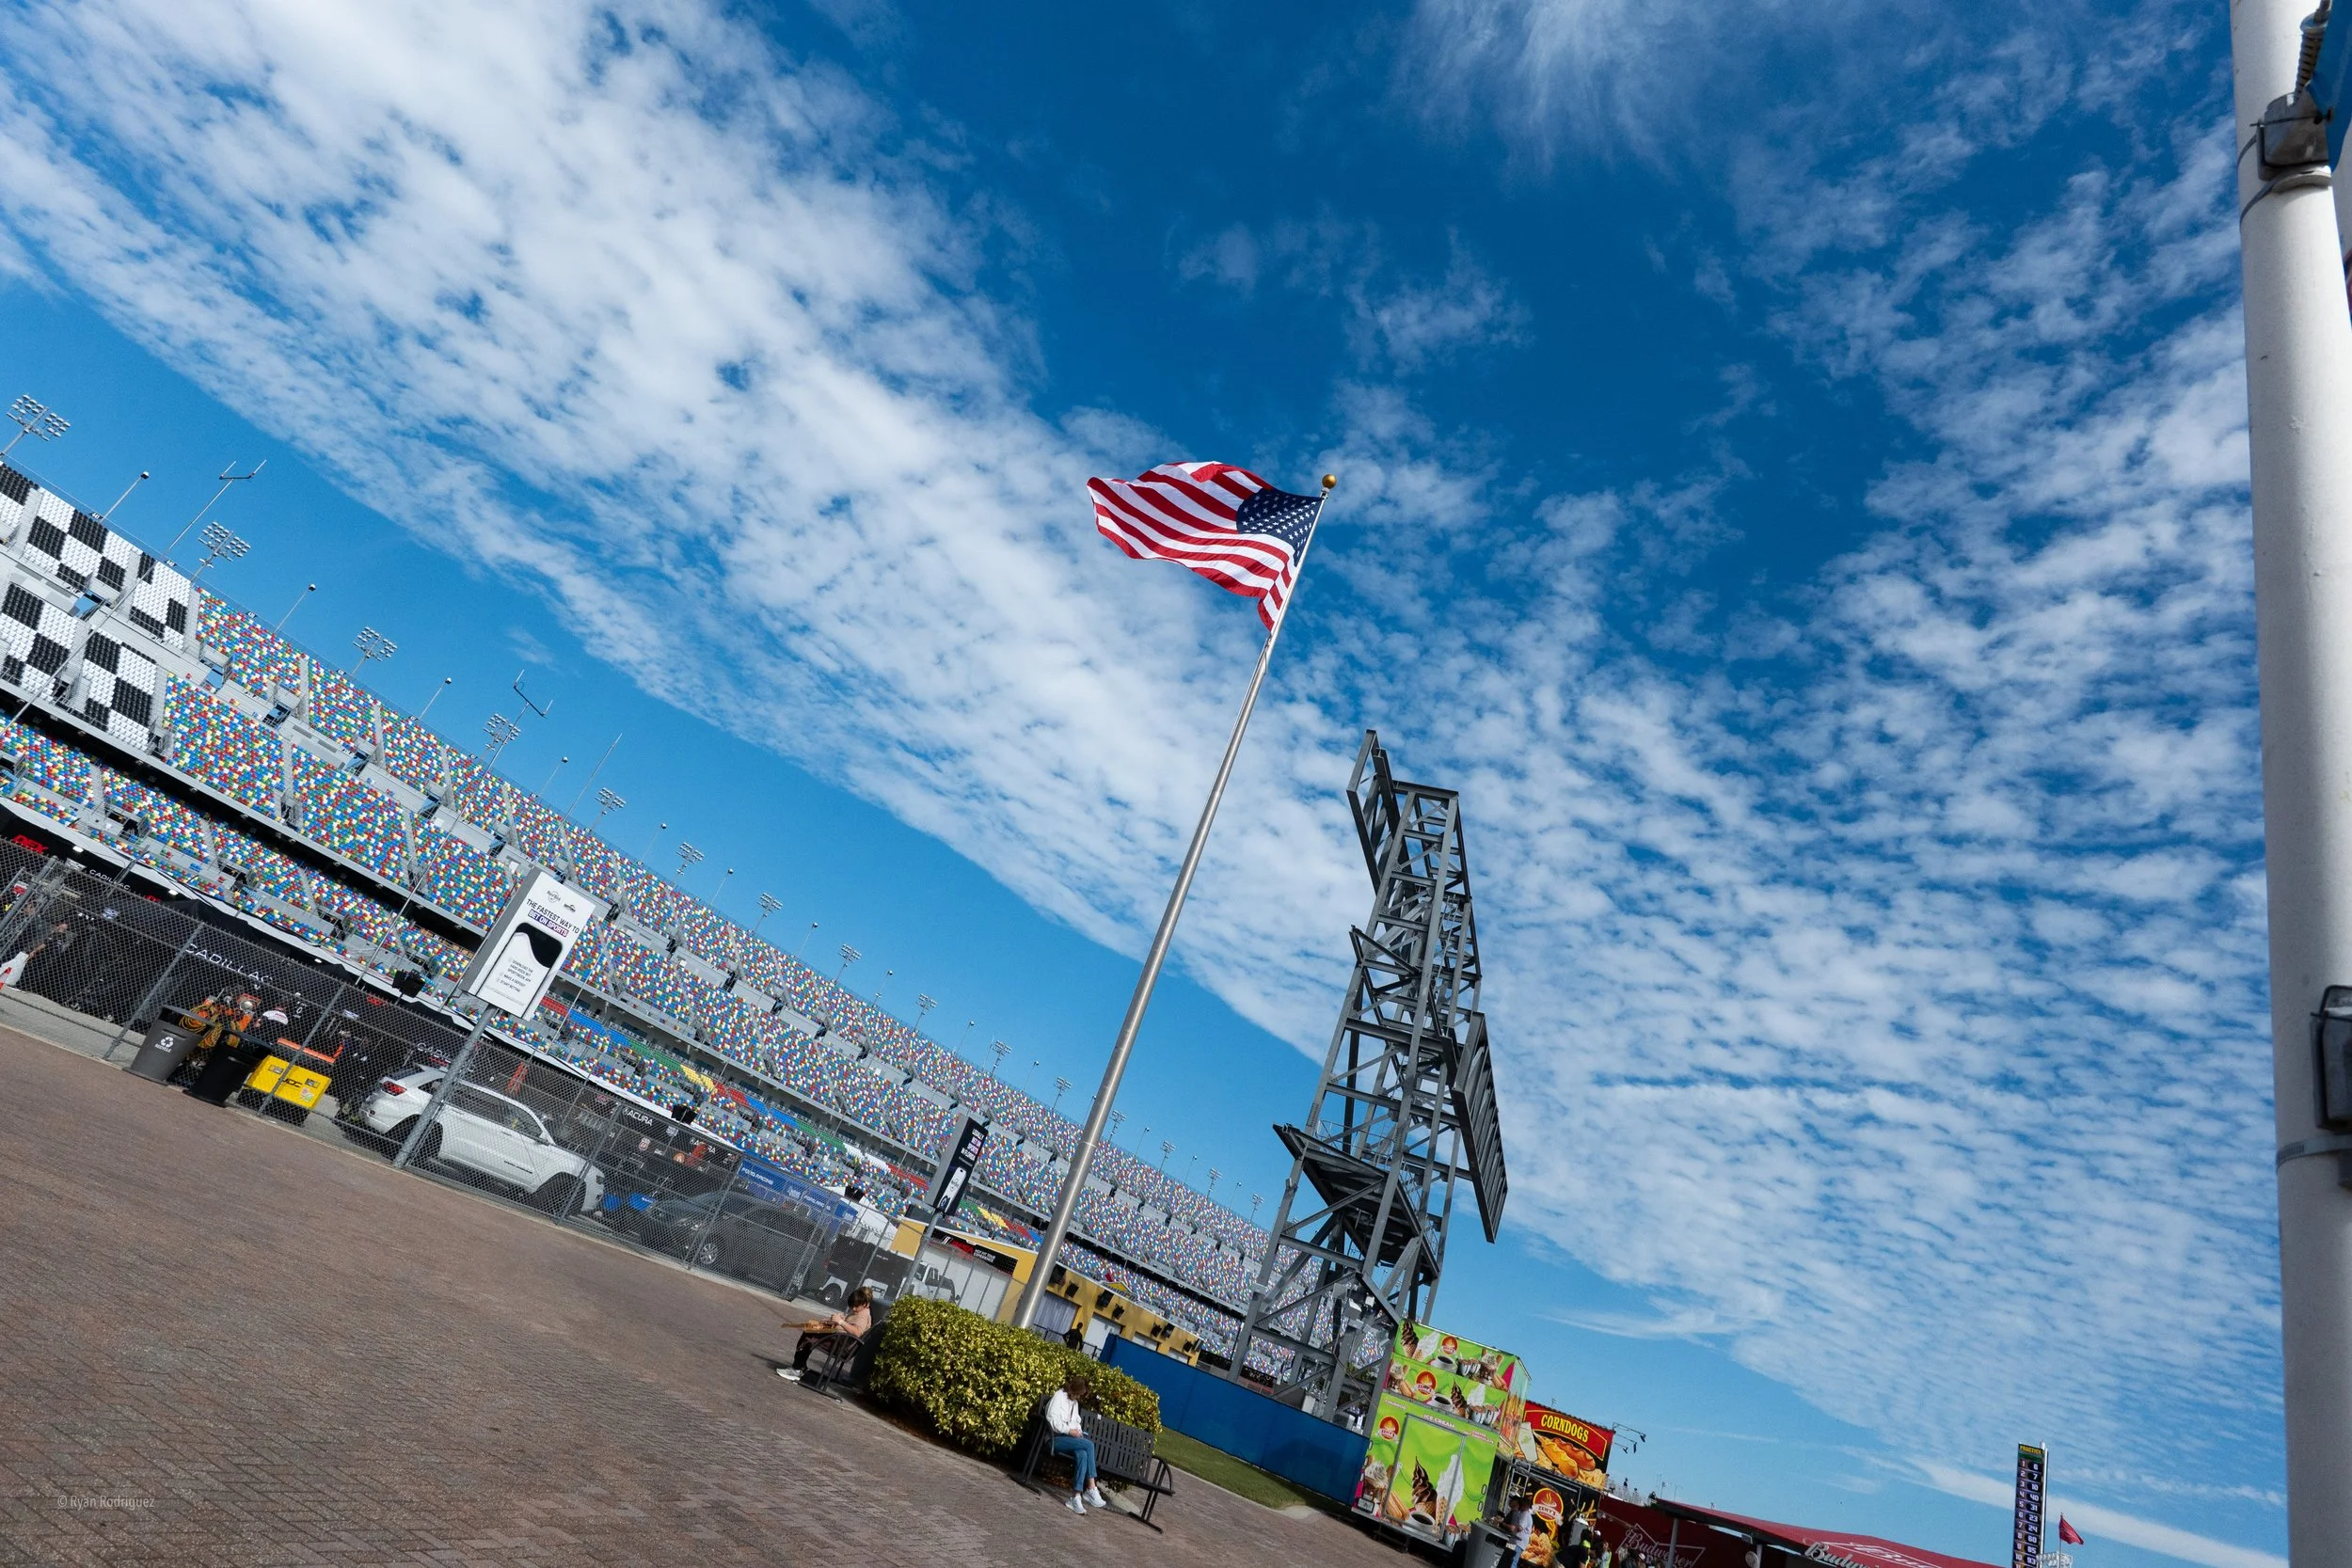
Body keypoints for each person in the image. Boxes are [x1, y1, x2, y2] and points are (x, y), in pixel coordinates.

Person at [776, 1286, 872, 1382]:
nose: (854, 1308)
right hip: (839, 1341)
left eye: (856, 1306)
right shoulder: (862, 1311)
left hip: (840, 1346)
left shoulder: (862, 1316)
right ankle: (800, 1366)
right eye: (852, 1306)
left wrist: (840, 1322)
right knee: (810, 1328)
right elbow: (849, 1325)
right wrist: (834, 1322)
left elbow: (857, 1332)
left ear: (865, 1303)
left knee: (809, 1337)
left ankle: (797, 1369)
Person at [1044, 1372, 1106, 1515]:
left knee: (1083, 1453)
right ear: (1074, 1390)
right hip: (1055, 1438)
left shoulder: (1074, 1403)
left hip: (1069, 1439)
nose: (1079, 1397)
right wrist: (1069, 1430)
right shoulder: (1058, 1397)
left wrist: (1077, 1431)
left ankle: (1076, 1496)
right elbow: (1051, 1420)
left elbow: (1076, 1421)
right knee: (1089, 1445)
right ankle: (1091, 1487)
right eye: (1079, 1394)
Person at [1502, 1494, 1536, 1568]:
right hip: (1517, 1541)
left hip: (1519, 1542)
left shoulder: (1525, 1514)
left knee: (1512, 1561)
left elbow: (1520, 1528)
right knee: (1510, 1560)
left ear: (1524, 1505)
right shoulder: (1523, 1513)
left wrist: (1507, 1525)